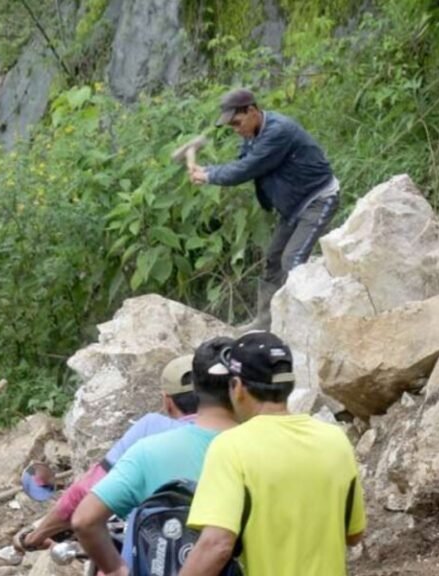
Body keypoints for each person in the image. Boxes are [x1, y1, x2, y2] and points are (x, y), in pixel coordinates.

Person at [180, 332, 366, 576]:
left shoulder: (231, 447)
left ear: (237, 388)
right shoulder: (335, 440)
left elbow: (217, 545)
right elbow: (353, 534)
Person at [71, 337, 237, 576]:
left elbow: (84, 520)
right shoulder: (263, 450)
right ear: (240, 388)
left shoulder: (148, 451)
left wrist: (117, 569)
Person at [188, 89, 340, 332]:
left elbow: (246, 169)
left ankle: (303, 327)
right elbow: (242, 162)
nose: (236, 129)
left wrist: (207, 175)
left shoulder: (278, 131)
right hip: (293, 207)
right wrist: (209, 170)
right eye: (231, 127)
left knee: (293, 261)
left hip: (318, 199)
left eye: (237, 123)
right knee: (273, 260)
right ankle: (265, 323)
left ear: (252, 111)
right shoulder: (253, 133)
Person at [14, 354, 201, 552]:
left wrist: (35, 537)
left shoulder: (151, 427)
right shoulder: (233, 433)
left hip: (157, 551)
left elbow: (85, 492)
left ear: (167, 401)